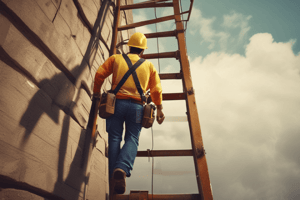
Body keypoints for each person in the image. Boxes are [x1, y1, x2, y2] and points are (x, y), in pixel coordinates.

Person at [93, 32, 165, 194]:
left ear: (129, 46)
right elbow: (156, 90)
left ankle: (114, 176)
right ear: (143, 51)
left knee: (114, 138)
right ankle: (121, 168)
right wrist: (159, 109)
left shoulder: (116, 59)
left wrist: (96, 93)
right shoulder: (149, 66)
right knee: (132, 138)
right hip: (138, 109)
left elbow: (99, 74)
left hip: (116, 105)